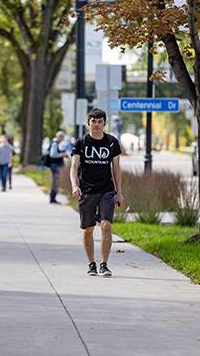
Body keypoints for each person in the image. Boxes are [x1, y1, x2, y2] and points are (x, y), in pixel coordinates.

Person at [70, 108, 123, 277]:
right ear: (88, 123)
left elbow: (116, 169)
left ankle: (104, 264)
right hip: (86, 191)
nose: (96, 124)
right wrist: (74, 186)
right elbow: (73, 167)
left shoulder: (112, 142)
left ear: (104, 123)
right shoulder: (81, 143)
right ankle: (92, 264)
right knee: (88, 229)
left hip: (106, 190)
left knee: (106, 225)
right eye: (93, 121)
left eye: (100, 121)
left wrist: (119, 192)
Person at [48, 131, 68, 204]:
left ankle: (53, 198)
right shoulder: (54, 144)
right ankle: (52, 198)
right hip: (54, 166)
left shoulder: (56, 144)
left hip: (55, 165)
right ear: (59, 137)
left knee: (55, 182)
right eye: (62, 137)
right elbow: (53, 155)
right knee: (55, 182)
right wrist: (63, 154)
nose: (63, 139)